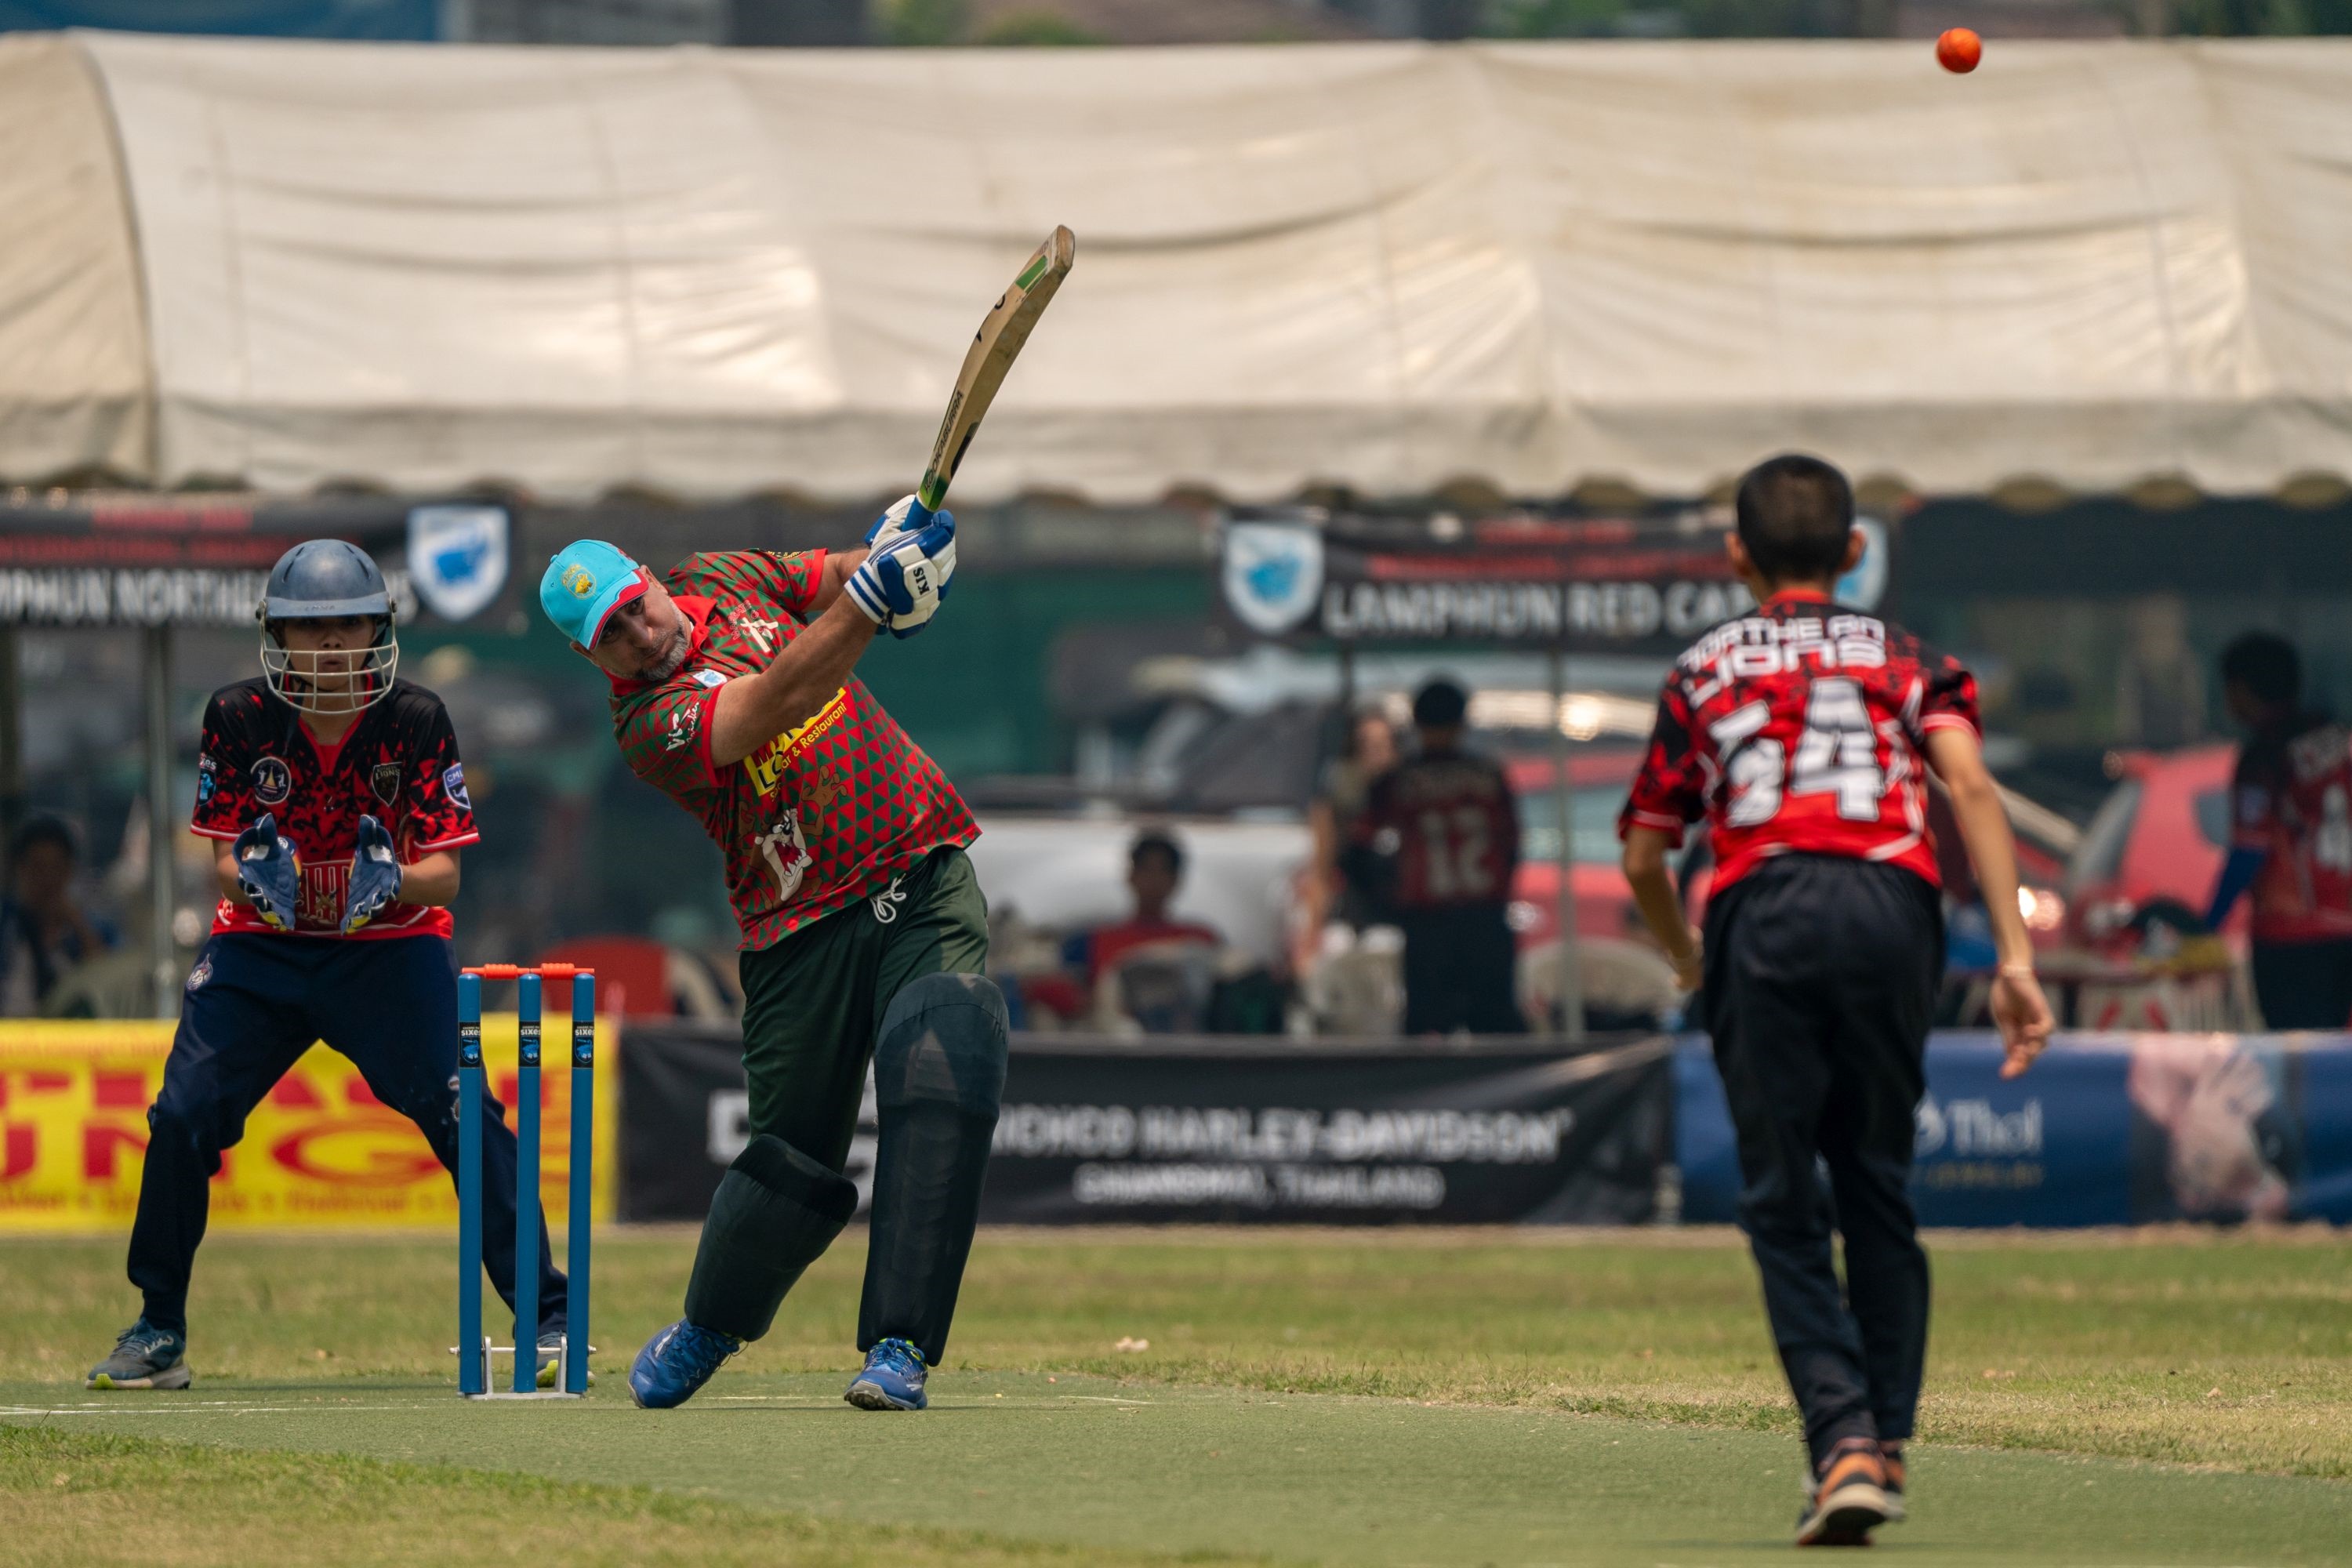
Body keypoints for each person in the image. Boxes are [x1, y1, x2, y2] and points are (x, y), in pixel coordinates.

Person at [1618, 454, 2053, 1547]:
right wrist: (2014, 958)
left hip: (1763, 908)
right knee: (1876, 1183)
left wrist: (1685, 956)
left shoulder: (1703, 669)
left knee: (1781, 1196)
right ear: (1856, 551)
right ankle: (1885, 1440)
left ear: (1737, 555)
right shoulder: (1910, 658)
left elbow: (1644, 854)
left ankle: (1843, 1439)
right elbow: (1969, 786)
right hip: (1891, 906)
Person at [543, 495, 1006, 1414]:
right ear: (591, 658)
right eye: (612, 637)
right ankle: (712, 1321)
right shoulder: (647, 725)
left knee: (943, 1066)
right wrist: (871, 602)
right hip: (799, 927)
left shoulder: (720, 573)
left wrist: (900, 553)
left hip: (919, 861)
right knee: (792, 1163)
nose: (639, 635)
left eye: (635, 607)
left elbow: (831, 576)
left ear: (650, 578)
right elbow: (770, 702)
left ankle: (900, 1346)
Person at [87, 540, 564, 1391]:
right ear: (279, 635)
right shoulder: (237, 714)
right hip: (261, 948)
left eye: (352, 622)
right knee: (183, 1114)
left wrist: (388, 883)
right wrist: (261, 880)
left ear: (379, 628)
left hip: (389, 948)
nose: (334, 642)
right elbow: (223, 860)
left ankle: (549, 1315)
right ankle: (158, 1325)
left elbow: (444, 873)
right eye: (313, 627)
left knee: (465, 1112)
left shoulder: (416, 717)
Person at [1357, 677, 1525, 1035]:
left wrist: (1385, 899)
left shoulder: (1398, 781)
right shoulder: (1489, 776)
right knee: (1496, 1031)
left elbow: (1360, 843)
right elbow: (1511, 843)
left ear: (1416, 723)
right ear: (1463, 721)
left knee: (1426, 1033)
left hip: (1428, 923)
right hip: (1485, 920)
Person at [2203, 632, 2352, 1029]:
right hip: (2344, 924)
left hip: (2291, 936)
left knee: (2299, 1052)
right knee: (2339, 1049)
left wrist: (2207, 926)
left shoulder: (2264, 757)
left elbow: (2249, 850)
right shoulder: (2339, 741)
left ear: (2240, 689)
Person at [0, 816, 114, 1016]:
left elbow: (110, 982)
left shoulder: (91, 928)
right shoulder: (6, 924)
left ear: (69, 870)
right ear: (20, 869)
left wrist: (78, 925)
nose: (47, 880)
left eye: (56, 868)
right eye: (38, 868)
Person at [1304, 706, 1400, 938]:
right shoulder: (1338, 799)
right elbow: (1322, 870)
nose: (1376, 754)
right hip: (1353, 916)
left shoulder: (1406, 796)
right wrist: (1313, 930)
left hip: (1400, 917)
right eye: (1367, 746)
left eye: (1383, 745)